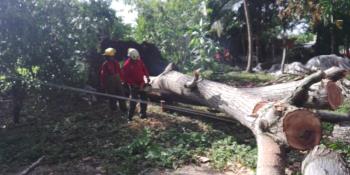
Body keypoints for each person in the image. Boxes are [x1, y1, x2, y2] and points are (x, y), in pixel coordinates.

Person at [123, 48, 150, 121]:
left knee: (144, 99)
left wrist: (147, 76)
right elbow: (125, 77)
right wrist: (133, 84)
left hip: (142, 83)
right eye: (134, 59)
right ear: (130, 57)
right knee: (133, 101)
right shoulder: (126, 65)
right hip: (133, 86)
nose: (136, 60)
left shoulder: (139, 61)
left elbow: (144, 69)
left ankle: (143, 114)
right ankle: (130, 117)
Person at [99, 47, 127, 115]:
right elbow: (103, 75)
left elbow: (119, 71)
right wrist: (103, 83)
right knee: (112, 95)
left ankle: (123, 109)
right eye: (107, 56)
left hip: (115, 79)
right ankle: (115, 109)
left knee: (120, 94)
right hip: (111, 80)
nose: (107, 57)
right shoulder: (106, 64)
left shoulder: (114, 63)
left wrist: (123, 80)